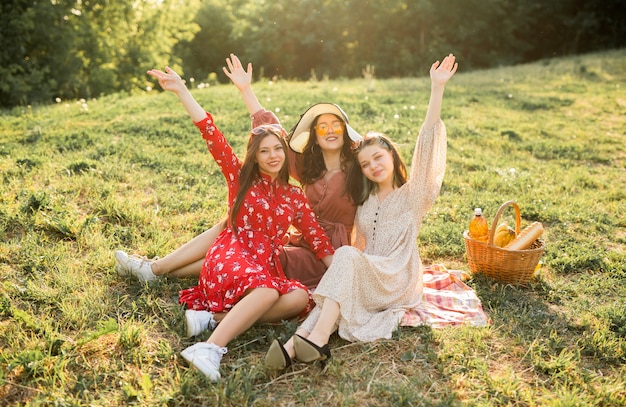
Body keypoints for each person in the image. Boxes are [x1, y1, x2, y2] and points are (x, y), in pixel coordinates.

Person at [264, 54, 459, 370]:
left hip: (398, 277)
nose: (373, 167)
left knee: (346, 260)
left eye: (379, 158)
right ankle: (295, 343)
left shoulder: (414, 194)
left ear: (393, 157)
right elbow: (355, 249)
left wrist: (436, 89)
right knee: (344, 270)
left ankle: (315, 339)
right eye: (366, 164)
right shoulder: (365, 200)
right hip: (371, 272)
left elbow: (427, 144)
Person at [145, 63, 335, 381]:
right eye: (265, 151)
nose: (273, 156)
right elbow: (211, 133)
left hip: (263, 265)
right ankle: (208, 348)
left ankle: (213, 317)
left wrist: (343, 270)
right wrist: (182, 91)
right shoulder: (240, 178)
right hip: (231, 253)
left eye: (278, 149)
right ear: (255, 155)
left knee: (300, 296)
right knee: (265, 293)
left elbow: (317, 239)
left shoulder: (293, 196)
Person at [116, 54, 359, 288]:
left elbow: (323, 235)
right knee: (234, 229)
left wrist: (344, 272)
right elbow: (252, 136)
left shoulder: (356, 170)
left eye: (336, 125)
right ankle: (155, 270)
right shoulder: (306, 168)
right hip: (278, 245)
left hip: (314, 255)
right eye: (323, 126)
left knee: (251, 247)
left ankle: (154, 270)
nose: (329, 131)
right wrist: (193, 91)